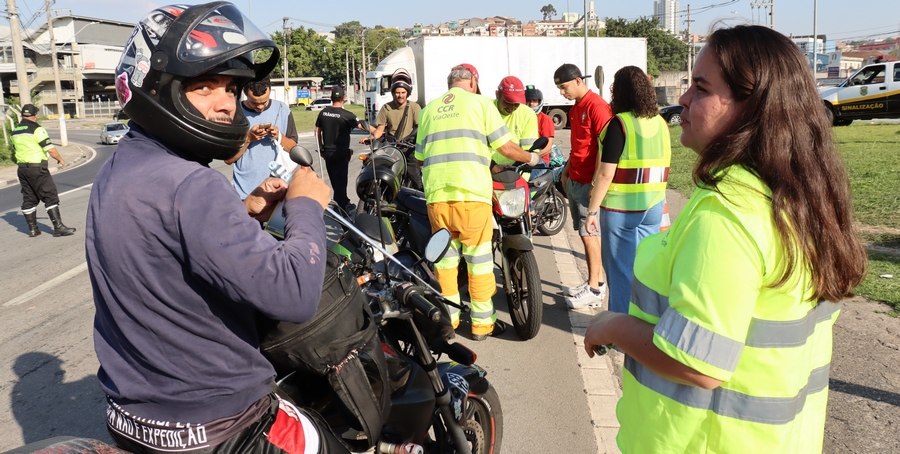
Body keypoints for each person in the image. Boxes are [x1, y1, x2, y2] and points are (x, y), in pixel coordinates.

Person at [583, 25, 868, 453]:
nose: (682, 100)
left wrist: (614, 324)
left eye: (700, 87)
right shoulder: (799, 194)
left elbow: (697, 363)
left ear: (752, 107)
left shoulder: (727, 211)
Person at [85, 4, 347, 453]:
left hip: (132, 415)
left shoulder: (124, 166)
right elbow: (295, 294)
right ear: (158, 86)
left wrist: (248, 210)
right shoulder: (191, 183)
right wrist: (305, 205)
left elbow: (165, 252)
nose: (226, 103)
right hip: (220, 421)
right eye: (204, 86)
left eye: (231, 87)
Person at [416, 63, 542, 340]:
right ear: (473, 82)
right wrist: (532, 158)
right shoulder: (481, 105)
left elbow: (420, 158)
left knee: (446, 263)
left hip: (437, 198)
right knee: (479, 262)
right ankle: (482, 325)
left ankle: (448, 320)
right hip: (472, 195)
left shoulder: (428, 111)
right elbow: (506, 148)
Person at [583, 66, 671, 314]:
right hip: (652, 206)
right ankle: (643, 320)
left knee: (620, 273)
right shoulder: (661, 123)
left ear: (619, 92)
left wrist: (592, 212)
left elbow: (605, 174)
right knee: (643, 270)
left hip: (621, 210)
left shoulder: (619, 124)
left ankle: (617, 329)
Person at [554, 63, 612, 309]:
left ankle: (594, 290)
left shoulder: (597, 106)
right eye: (559, 88)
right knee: (585, 234)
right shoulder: (577, 107)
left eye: (564, 87)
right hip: (576, 178)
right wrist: (566, 172)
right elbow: (579, 146)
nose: (561, 93)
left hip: (588, 182)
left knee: (590, 235)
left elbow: (605, 147)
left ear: (578, 80)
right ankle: (595, 279)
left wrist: (596, 182)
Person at [225, 75, 299, 200]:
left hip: (278, 190)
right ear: (244, 92)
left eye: (264, 102)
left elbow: (293, 148)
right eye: (254, 102)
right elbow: (228, 159)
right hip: (245, 193)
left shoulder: (282, 109)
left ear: (270, 90)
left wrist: (278, 136)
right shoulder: (234, 113)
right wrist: (249, 138)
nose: (260, 107)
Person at [12, 103, 76, 238]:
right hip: (37, 168)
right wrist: (60, 159)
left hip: (22, 169)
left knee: (29, 197)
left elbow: (14, 151)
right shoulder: (37, 129)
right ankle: (58, 227)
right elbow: (50, 149)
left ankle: (33, 229)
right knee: (50, 195)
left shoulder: (15, 131)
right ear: (35, 116)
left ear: (22, 115)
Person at [361, 71, 423, 190]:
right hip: (392, 148)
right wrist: (371, 138)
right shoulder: (386, 108)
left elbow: (420, 128)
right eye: (397, 92)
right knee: (381, 172)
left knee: (416, 181)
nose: (400, 95)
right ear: (393, 93)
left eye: (403, 92)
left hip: (408, 148)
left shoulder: (414, 107)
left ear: (408, 93)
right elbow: (380, 130)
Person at [315, 86, 368, 212]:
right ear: (344, 98)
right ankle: (342, 207)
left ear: (330, 97)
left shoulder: (323, 112)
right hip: (340, 152)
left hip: (327, 152)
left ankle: (342, 202)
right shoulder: (347, 115)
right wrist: (378, 131)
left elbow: (317, 130)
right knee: (341, 181)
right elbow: (362, 126)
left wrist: (321, 147)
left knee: (335, 180)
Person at [492, 75, 539, 167]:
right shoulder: (485, 109)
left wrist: (513, 170)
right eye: (508, 102)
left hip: (517, 173)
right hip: (486, 172)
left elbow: (529, 151)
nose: (512, 107)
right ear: (497, 94)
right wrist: (493, 167)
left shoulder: (528, 114)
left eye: (516, 104)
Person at [524, 84, 556, 174]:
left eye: (534, 101)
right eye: (528, 101)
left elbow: (548, 148)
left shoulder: (545, 120)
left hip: (540, 161)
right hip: (523, 159)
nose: (531, 104)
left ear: (539, 102)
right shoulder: (520, 118)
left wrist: (531, 159)